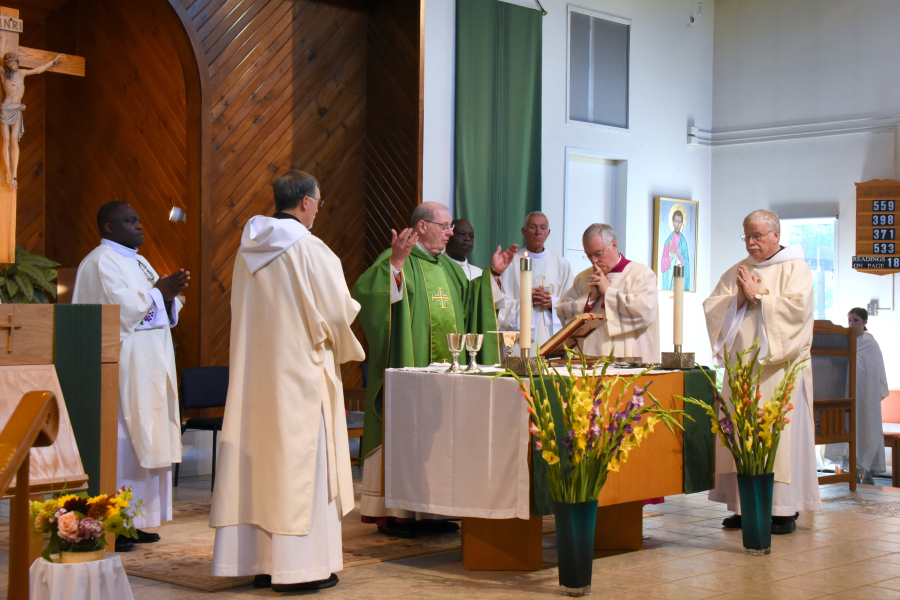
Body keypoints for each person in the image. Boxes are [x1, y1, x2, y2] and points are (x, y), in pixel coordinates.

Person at [209, 170, 365, 592]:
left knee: (260, 466)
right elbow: (337, 314)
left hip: (255, 374)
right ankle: (298, 569)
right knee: (302, 468)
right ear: (306, 203)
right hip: (300, 376)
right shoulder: (314, 251)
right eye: (319, 201)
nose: (319, 208)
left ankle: (261, 561)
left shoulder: (247, 248)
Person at [353, 201, 517, 537]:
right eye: (444, 226)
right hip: (409, 377)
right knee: (407, 434)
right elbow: (367, 295)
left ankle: (432, 511)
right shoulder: (398, 259)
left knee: (438, 441)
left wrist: (493, 275)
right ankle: (398, 513)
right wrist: (397, 262)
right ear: (422, 226)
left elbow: (472, 302)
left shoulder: (450, 268)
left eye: (450, 227)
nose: (450, 233)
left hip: (444, 383)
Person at [73, 201, 189, 551]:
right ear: (109, 227)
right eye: (129, 220)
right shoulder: (99, 262)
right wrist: (160, 292)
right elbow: (123, 311)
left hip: (151, 362)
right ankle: (113, 522)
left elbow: (156, 304)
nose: (139, 225)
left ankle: (138, 520)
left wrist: (168, 296)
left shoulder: (138, 260)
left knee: (149, 437)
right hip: (123, 366)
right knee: (125, 442)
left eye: (138, 219)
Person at [703, 209, 820, 535]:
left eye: (757, 236)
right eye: (747, 236)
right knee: (740, 435)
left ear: (775, 236)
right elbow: (715, 308)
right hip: (743, 370)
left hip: (780, 372)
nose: (751, 243)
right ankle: (744, 507)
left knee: (779, 440)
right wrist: (739, 297)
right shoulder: (738, 271)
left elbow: (797, 313)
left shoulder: (796, 269)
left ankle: (782, 510)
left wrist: (761, 298)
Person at [556, 224, 659, 363]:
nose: (594, 261)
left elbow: (646, 312)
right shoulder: (583, 279)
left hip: (629, 362)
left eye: (598, 254)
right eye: (589, 256)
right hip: (590, 361)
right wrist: (589, 299)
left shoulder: (641, 275)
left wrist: (608, 293)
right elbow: (563, 311)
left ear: (614, 246)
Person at [824, 308, 889, 485]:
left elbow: (877, 373)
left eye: (856, 320)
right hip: (847, 394)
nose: (851, 324)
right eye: (849, 320)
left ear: (865, 322)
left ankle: (867, 473)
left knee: (866, 430)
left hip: (866, 398)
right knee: (849, 429)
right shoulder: (844, 341)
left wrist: (871, 392)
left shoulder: (870, 344)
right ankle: (850, 472)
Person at [498, 212, 574, 354]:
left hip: (551, 337)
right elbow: (499, 302)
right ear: (524, 231)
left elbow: (571, 303)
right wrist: (526, 302)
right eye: (533, 227)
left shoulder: (561, 264)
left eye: (543, 228)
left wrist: (552, 302)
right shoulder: (510, 263)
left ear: (548, 233)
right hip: (519, 338)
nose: (538, 232)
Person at [0, 52, 63, 188]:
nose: (13, 65)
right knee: (5, 141)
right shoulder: (3, 73)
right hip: (5, 109)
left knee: (13, 140)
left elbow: (38, 70)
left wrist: (53, 61)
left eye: (14, 62)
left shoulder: (22, 73)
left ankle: (14, 175)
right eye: (9, 64)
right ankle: (8, 172)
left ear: (18, 62)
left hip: (17, 109)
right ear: (6, 65)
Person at [660, 206, 692, 291]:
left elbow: (687, 264)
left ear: (682, 224)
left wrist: (679, 256)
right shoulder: (668, 241)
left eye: (679, 222)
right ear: (672, 222)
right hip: (669, 280)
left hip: (679, 282)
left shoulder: (683, 242)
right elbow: (662, 266)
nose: (677, 225)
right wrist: (670, 257)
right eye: (676, 221)